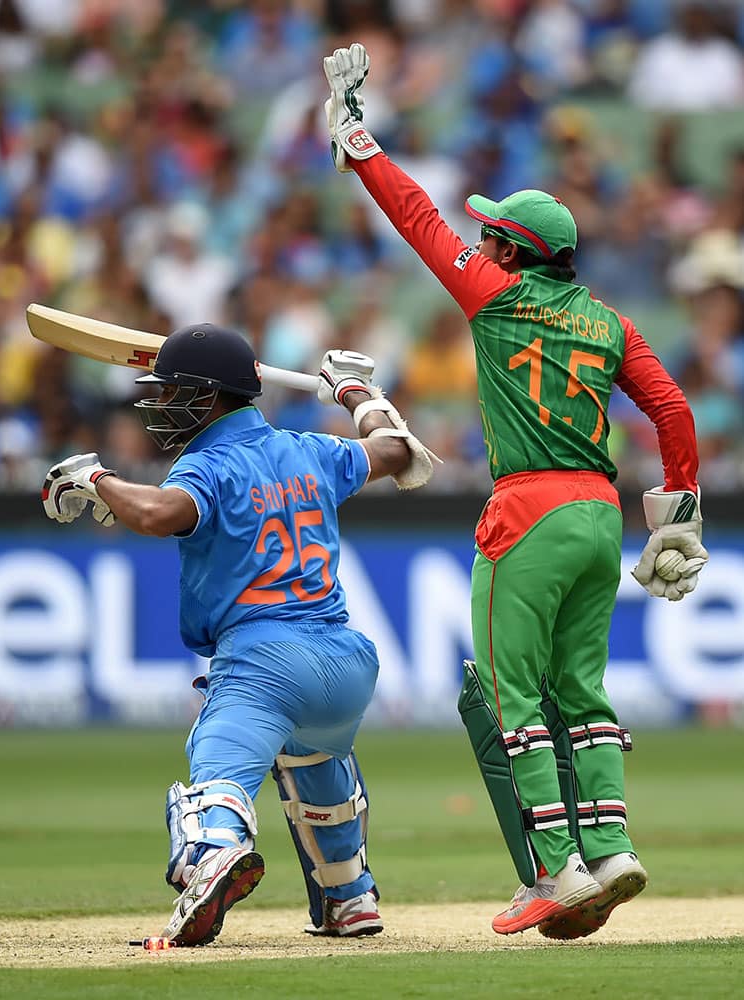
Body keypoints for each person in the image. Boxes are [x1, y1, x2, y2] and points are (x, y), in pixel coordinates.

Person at [322, 43, 709, 940]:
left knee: (510, 696)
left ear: (509, 249)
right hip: (598, 515)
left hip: (526, 510)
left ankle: (552, 869)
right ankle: (611, 848)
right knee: (584, 688)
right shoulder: (610, 321)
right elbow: (674, 410)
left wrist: (355, 137)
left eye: (493, 231)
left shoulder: (493, 294)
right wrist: (680, 511)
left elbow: (417, 218)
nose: (481, 236)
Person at [41, 323, 435, 946]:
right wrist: (358, 392)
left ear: (208, 396)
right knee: (314, 756)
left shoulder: (208, 464)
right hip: (346, 664)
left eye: (172, 392)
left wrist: (95, 479)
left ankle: (213, 855)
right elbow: (394, 452)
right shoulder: (310, 450)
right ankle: (349, 896)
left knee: (217, 774)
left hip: (263, 661)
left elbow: (154, 513)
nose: (161, 405)